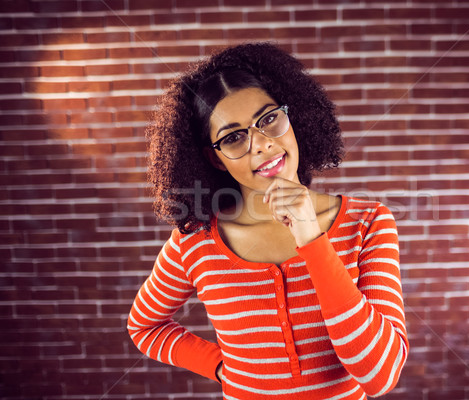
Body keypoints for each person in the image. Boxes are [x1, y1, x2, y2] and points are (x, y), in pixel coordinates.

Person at [127, 42, 408, 399]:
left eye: (269, 118)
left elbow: (380, 376)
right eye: (233, 137)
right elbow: (144, 326)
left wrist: (313, 239)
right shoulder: (194, 243)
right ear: (215, 160)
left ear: (294, 116)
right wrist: (221, 367)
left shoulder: (367, 224)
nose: (260, 144)